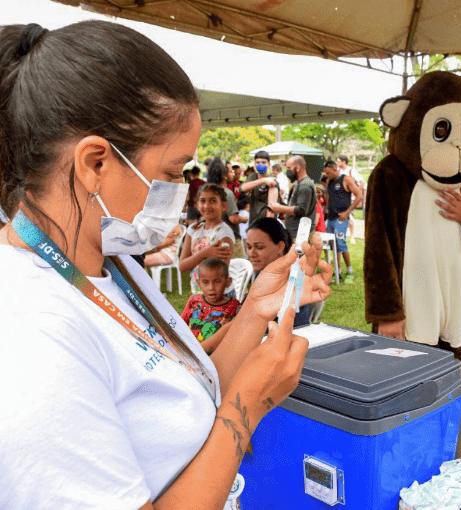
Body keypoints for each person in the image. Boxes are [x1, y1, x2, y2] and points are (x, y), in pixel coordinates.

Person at [0, 20, 332, 509]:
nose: (180, 196)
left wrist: (257, 308)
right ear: (95, 163)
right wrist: (246, 409)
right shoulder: (31, 334)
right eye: (172, 173)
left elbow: (183, 392)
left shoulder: (110, 261)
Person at [244, 218, 311, 328]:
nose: (251, 253)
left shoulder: (291, 279)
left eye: (259, 247)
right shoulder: (262, 273)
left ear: (280, 247)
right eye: (248, 247)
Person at [179, 183, 235, 295]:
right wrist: (205, 253)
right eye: (203, 201)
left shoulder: (224, 233)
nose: (207, 206)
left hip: (219, 296)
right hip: (198, 293)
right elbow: (182, 266)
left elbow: (220, 273)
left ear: (223, 205)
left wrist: (196, 258)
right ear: (197, 205)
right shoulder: (193, 230)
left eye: (213, 201)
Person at [181, 257, 241, 346]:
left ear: (227, 282)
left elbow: (240, 334)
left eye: (217, 282)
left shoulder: (233, 305)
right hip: (190, 348)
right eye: (205, 282)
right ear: (199, 284)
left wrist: (229, 327)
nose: (211, 288)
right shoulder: (194, 301)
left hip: (215, 354)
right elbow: (181, 324)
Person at [323, 159, 363, 283]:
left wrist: (347, 212)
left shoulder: (346, 179)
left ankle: (349, 271)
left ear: (335, 168)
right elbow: (328, 195)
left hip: (341, 218)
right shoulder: (329, 181)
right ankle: (338, 271)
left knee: (341, 244)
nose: (327, 176)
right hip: (331, 218)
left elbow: (359, 196)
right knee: (333, 245)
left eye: (328, 173)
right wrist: (327, 207)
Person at [268, 156, 317, 239]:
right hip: (295, 233)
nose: (287, 171)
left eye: (289, 168)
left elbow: (301, 210)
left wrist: (280, 208)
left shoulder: (305, 185)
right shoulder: (300, 183)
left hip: (301, 235)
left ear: (297, 168)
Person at [206, 157, 246, 258]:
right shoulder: (226, 193)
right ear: (224, 175)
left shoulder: (206, 191)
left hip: (212, 240)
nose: (233, 174)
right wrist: (245, 218)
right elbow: (233, 219)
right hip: (230, 240)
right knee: (236, 271)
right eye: (231, 171)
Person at [239, 151, 278, 226]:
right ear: (254, 164)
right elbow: (243, 188)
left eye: (263, 162)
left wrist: (266, 227)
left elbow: (271, 208)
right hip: (253, 222)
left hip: (266, 224)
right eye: (258, 162)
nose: (260, 164)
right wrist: (263, 180)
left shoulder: (272, 180)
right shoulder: (253, 176)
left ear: (269, 164)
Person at [336, 155, 365, 244]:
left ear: (344, 161)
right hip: (339, 198)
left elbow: (362, 182)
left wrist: (357, 193)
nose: (337, 163)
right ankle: (340, 235)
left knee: (350, 218)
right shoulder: (338, 171)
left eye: (338, 161)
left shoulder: (351, 171)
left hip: (349, 198)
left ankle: (352, 236)